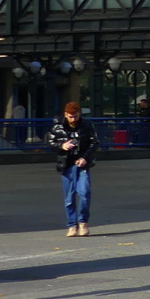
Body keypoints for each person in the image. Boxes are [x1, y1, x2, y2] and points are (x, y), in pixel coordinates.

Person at [46, 101, 99, 236]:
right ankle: (72, 225)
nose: (73, 119)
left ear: (79, 114)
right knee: (69, 197)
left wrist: (85, 158)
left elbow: (94, 142)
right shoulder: (58, 126)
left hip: (82, 164)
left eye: (75, 116)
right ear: (65, 115)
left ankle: (83, 222)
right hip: (66, 164)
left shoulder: (87, 125)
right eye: (70, 116)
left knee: (84, 193)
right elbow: (50, 142)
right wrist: (62, 146)